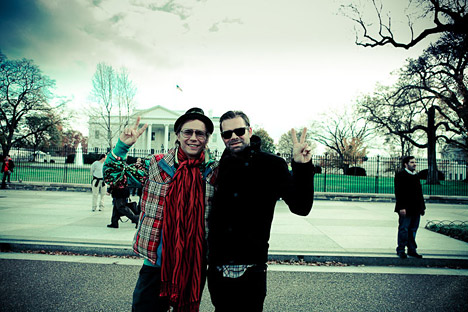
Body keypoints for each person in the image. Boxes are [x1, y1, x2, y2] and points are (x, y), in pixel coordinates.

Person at [103, 108, 218, 312]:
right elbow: (114, 177)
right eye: (187, 132)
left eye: (200, 133)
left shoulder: (213, 172)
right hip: (156, 264)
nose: (193, 138)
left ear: (207, 138)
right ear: (177, 135)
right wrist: (122, 147)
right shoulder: (155, 165)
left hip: (193, 266)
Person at [207, 111, 315, 312]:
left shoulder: (271, 165)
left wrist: (302, 166)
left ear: (249, 131)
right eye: (227, 134)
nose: (233, 137)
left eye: (239, 131)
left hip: (251, 267)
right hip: (217, 268)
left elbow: (301, 207)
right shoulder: (219, 166)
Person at [394, 156, 426, 259]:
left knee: (413, 230)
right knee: (404, 229)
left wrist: (422, 207)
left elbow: (419, 193)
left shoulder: (416, 176)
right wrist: (401, 207)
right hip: (405, 208)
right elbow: (399, 192)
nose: (414, 164)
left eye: (415, 162)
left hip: (416, 208)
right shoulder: (401, 175)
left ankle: (412, 250)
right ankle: (401, 249)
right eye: (412, 162)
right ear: (406, 164)